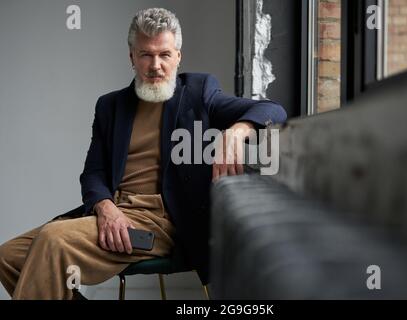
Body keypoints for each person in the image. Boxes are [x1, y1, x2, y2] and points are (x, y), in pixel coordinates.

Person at [0, 8, 286, 299]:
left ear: (178, 57)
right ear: (132, 58)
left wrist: (238, 130)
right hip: (113, 214)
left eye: (164, 54)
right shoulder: (110, 107)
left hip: (162, 222)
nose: (156, 65)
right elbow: (94, 173)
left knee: (53, 241)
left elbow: (273, 109)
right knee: (8, 256)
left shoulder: (199, 91)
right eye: (146, 55)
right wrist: (105, 207)